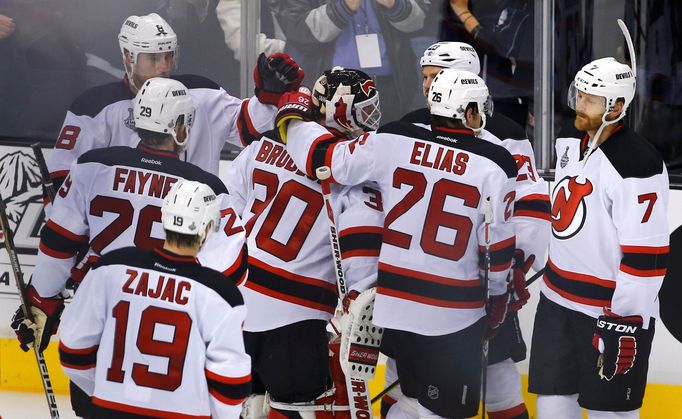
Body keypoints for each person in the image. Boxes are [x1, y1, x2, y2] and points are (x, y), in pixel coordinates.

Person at [277, 68, 518, 418]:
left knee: (409, 398)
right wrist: (497, 300)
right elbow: (496, 247)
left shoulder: (391, 139)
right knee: (445, 412)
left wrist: (296, 120)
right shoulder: (495, 163)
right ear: (467, 112)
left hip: (394, 306)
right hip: (452, 314)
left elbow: (324, 161)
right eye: (478, 109)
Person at [11, 77, 248, 418]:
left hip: (101, 310)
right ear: (181, 127)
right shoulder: (204, 186)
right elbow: (230, 272)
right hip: (171, 325)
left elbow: (60, 240)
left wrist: (42, 299)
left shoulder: (92, 166)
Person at [384, 41, 550, 419]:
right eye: (425, 77)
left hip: (477, 276)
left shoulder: (505, 133)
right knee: (397, 371)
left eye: (435, 77)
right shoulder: (409, 123)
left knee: (499, 380)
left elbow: (526, 202)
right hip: (417, 276)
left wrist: (517, 264)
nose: (427, 86)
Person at [223, 67, 384, 419]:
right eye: (362, 108)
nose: (370, 118)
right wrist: (358, 302)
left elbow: (225, 215)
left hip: (235, 308)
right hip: (298, 319)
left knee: (241, 406)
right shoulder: (351, 176)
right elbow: (361, 259)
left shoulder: (260, 147)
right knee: (292, 410)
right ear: (336, 108)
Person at [528, 55, 669, 418]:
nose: (580, 104)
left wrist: (626, 320)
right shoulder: (569, 144)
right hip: (557, 302)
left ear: (618, 106)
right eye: (579, 94)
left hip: (608, 313)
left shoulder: (638, 165)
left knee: (612, 414)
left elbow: (648, 257)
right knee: (552, 404)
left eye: (591, 99)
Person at [58, 179, 252, 418]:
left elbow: (72, 349)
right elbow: (230, 385)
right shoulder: (222, 294)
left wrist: (103, 394)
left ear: (164, 217)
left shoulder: (110, 268)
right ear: (209, 227)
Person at [47, 12, 304, 189]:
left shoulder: (202, 93)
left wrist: (269, 96)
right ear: (128, 56)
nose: (163, 67)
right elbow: (62, 179)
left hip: (190, 238)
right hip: (124, 242)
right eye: (153, 58)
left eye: (168, 56)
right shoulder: (94, 107)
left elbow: (252, 130)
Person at [271, 0, 426, 123]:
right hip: (331, 93)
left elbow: (419, 21)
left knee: (387, 157)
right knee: (334, 157)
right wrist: (343, 8)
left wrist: (394, 5)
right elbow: (298, 30)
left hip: (389, 89)